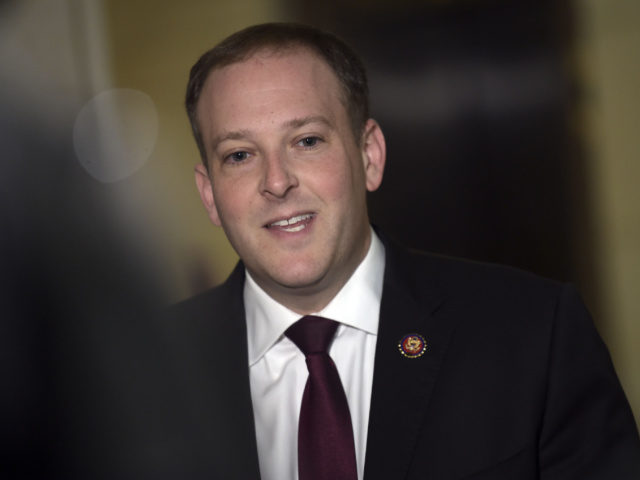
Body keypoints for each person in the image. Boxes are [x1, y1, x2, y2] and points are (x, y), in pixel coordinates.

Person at [165, 22, 640, 480]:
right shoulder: (138, 377)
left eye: (307, 141)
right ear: (209, 194)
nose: (276, 181)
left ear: (369, 155)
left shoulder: (534, 334)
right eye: (239, 155)